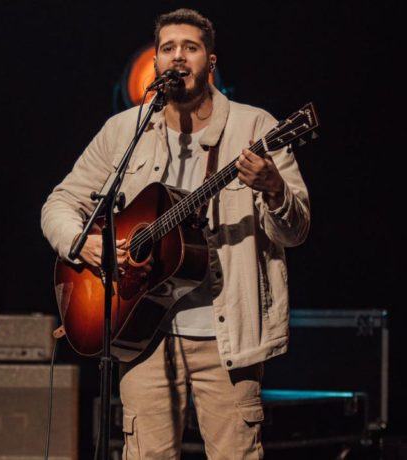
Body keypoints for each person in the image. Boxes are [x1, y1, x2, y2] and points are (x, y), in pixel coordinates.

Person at [41, 8, 310, 459]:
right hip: (142, 334)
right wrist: (82, 242)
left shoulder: (256, 128)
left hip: (227, 341)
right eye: (168, 48)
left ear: (211, 61)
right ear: (156, 61)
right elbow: (59, 203)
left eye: (191, 47)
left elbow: (296, 228)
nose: (178, 57)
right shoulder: (125, 130)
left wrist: (273, 187)